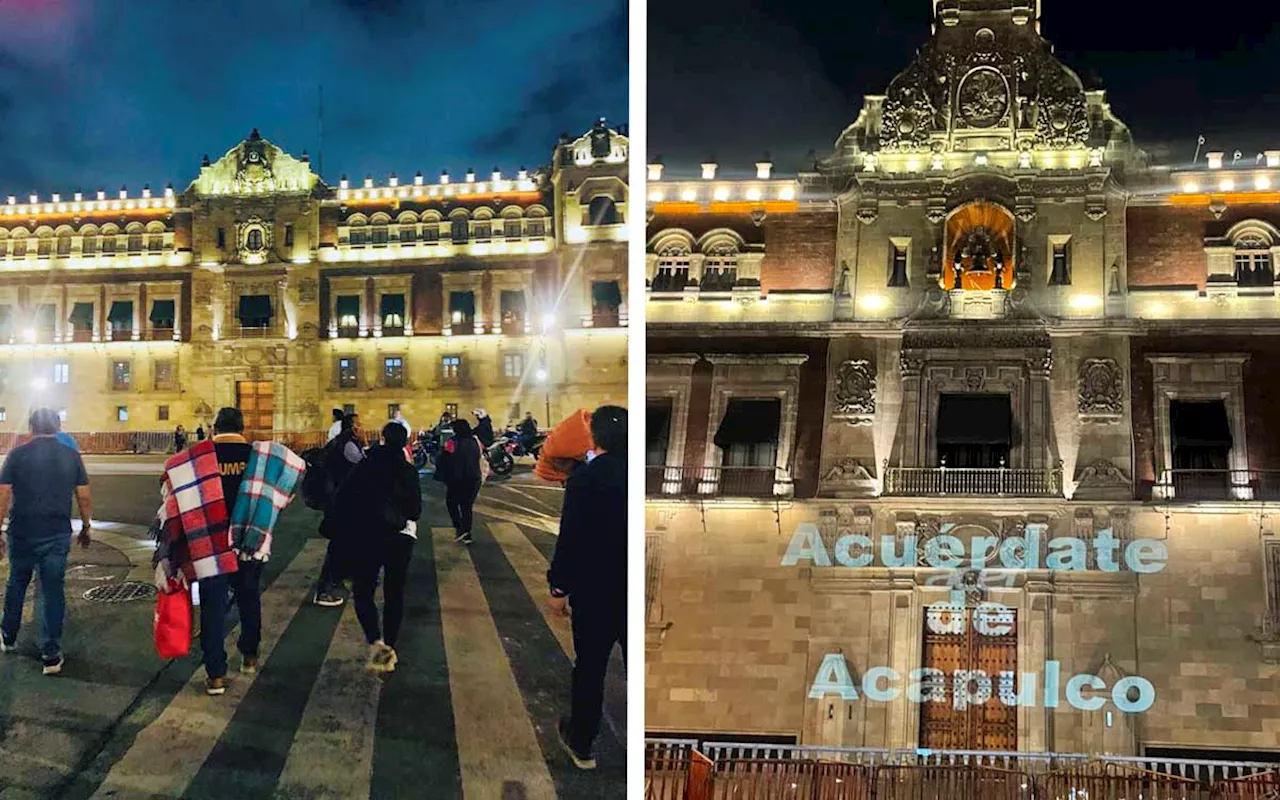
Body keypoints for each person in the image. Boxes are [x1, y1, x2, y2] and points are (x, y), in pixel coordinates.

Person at [547, 405, 627, 770]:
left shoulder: (587, 479)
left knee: (590, 669)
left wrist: (559, 588)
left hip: (595, 591)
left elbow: (571, 538)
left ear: (595, 437)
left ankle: (582, 744)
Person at [0, 408, 92, 675]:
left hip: (22, 531)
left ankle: (8, 635)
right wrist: (86, 527)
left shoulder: (17, 455)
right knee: (52, 590)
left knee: (17, 582)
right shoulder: (71, 456)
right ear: (58, 426)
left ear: (31, 427)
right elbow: (83, 496)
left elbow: (3, 494)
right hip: (56, 532)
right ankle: (50, 654)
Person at [329, 423, 421, 672]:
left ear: (382, 438)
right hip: (400, 538)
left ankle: (374, 639)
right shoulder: (408, 471)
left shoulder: (364, 467)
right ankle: (390, 644)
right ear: (404, 443)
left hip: (365, 537)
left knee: (363, 591)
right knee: (395, 593)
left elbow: (342, 499)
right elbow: (415, 511)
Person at [315, 412, 363, 606]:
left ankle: (342, 576)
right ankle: (324, 590)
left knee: (347, 541)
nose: (362, 428)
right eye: (359, 425)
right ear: (353, 427)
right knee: (338, 545)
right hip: (342, 502)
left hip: (337, 500)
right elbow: (362, 466)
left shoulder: (338, 442)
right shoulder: (348, 446)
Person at [434, 418, 484, 545]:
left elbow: (444, 457)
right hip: (474, 478)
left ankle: (459, 527)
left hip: (457, 479)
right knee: (467, 506)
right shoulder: (475, 441)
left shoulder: (452, 442)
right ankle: (467, 533)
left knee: (451, 503)